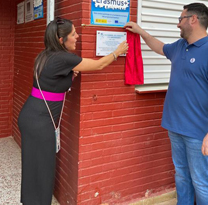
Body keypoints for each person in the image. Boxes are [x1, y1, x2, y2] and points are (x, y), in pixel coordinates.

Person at [125, 3, 208, 205]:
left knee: (200, 181)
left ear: (193, 20)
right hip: (175, 127)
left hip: (198, 131)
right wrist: (140, 32)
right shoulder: (180, 46)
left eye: (180, 19)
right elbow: (159, 47)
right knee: (182, 175)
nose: (178, 24)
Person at [17, 17, 128, 205]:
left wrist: (70, 76)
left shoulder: (45, 55)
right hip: (40, 121)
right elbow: (98, 65)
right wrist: (117, 52)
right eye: (74, 34)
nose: (78, 36)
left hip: (31, 115)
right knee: (44, 168)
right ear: (62, 40)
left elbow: (50, 83)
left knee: (32, 166)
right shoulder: (64, 58)